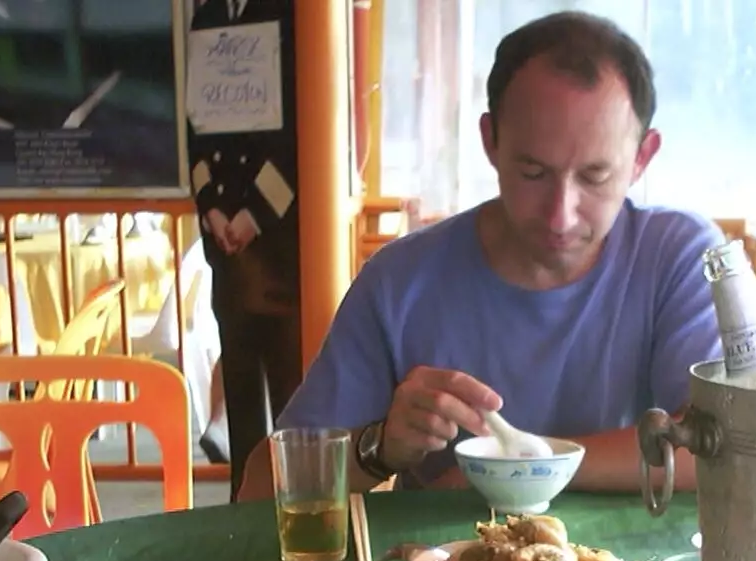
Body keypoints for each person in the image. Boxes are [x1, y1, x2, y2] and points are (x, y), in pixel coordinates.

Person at [238, 11, 723, 501]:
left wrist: (520, 468)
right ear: (490, 141)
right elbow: (261, 490)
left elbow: (735, 447)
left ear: (642, 157)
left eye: (595, 177)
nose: (561, 215)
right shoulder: (400, 282)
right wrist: (380, 446)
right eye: (533, 171)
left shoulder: (679, 257)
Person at [186, 0, 304, 497]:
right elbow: (196, 129)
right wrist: (211, 206)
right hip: (224, 241)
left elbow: (301, 129)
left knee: (287, 379)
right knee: (237, 370)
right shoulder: (208, 15)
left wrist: (255, 213)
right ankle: (244, 494)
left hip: (276, 239)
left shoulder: (291, 12)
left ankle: (294, 492)